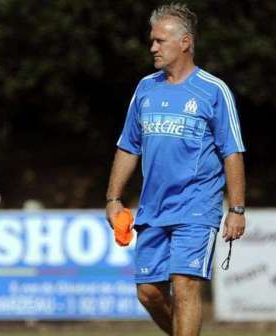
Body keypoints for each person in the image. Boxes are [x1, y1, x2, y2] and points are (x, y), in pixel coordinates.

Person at [105, 3, 246, 336]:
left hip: (197, 206)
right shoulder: (145, 88)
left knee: (184, 286)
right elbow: (128, 145)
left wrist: (237, 208)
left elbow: (232, 151)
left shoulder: (213, 90)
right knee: (149, 292)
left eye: (160, 41)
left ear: (185, 42)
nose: (153, 47)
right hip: (152, 208)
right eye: (151, 41)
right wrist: (113, 198)